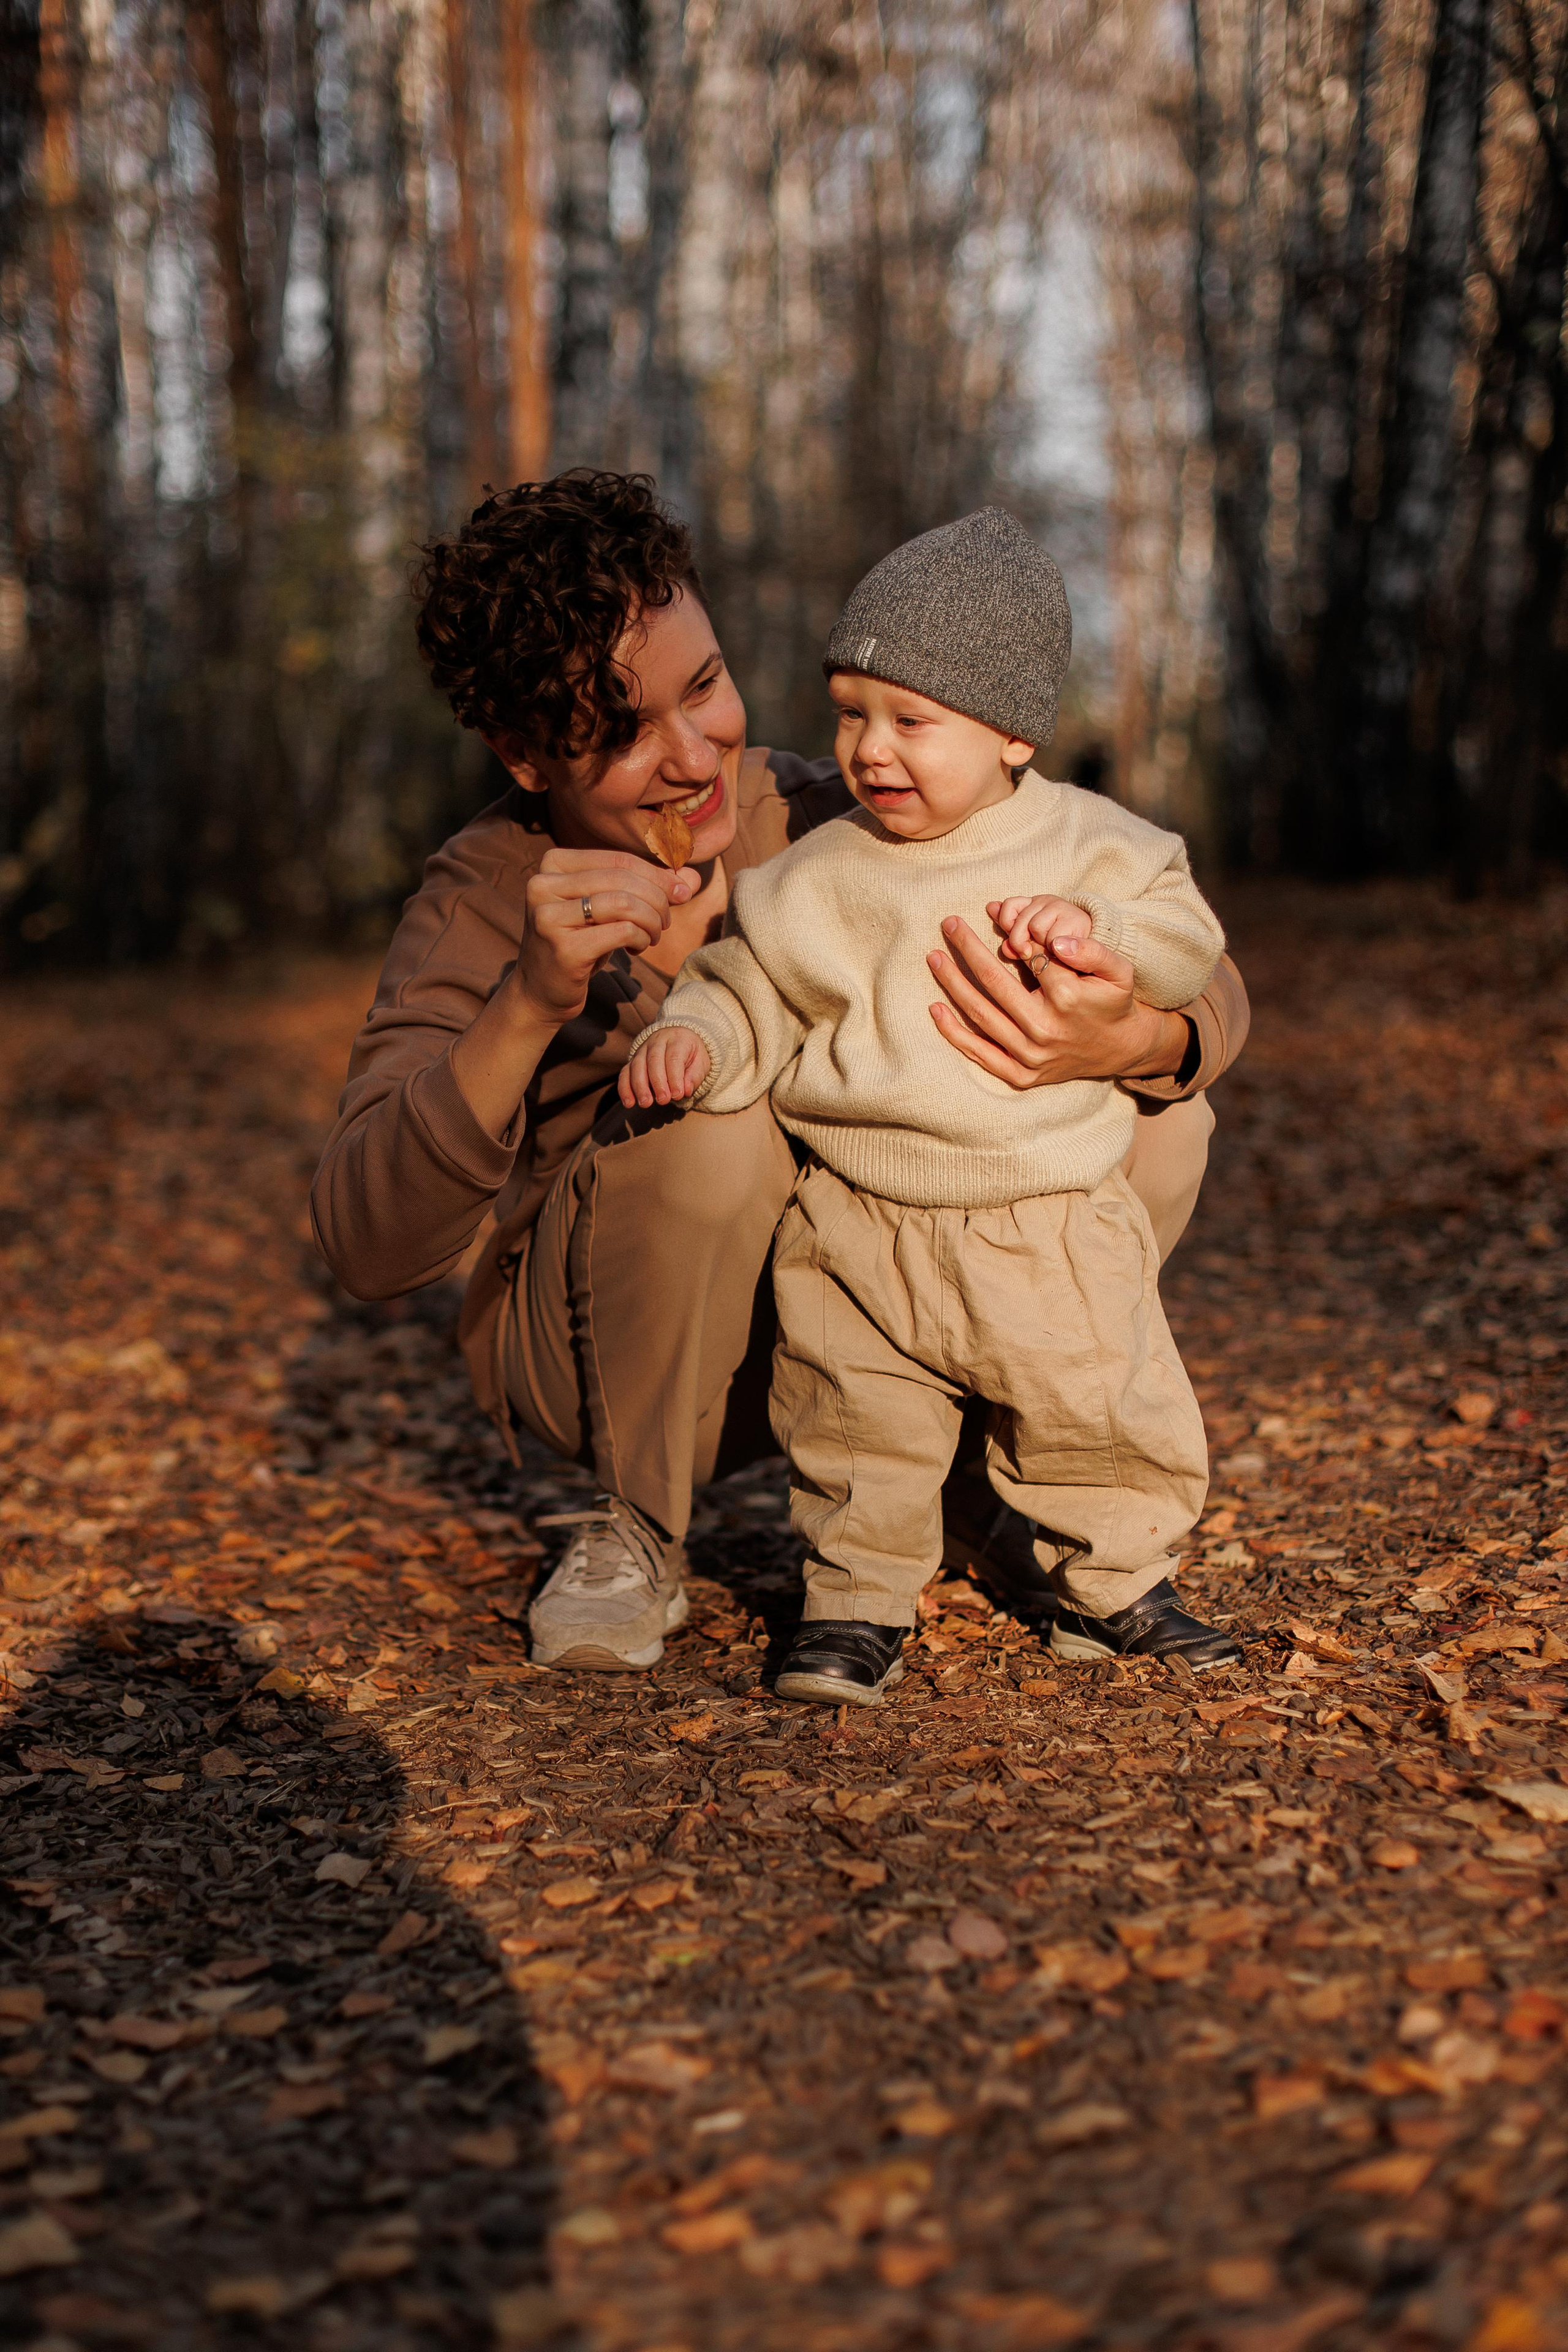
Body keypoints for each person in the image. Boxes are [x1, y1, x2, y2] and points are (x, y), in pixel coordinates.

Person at [310, 472, 1250, 1680]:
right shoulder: (486, 893)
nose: (692, 752)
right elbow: (364, 1244)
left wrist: (1129, 1045)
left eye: (702, 685)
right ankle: (620, 1522)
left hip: (859, 1297)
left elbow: (1192, 971)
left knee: (1160, 1120)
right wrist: (527, 1002)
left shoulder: (837, 816)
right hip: (603, 1347)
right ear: (526, 755)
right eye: (619, 728)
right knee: (713, 1116)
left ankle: (972, 1469)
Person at [624, 508, 1234, 1705]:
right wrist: (695, 1040)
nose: (871, 748)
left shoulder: (1096, 848)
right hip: (859, 1222)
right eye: (850, 713)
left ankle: (1112, 1588)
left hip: (1046, 1217)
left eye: (912, 719)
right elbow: (748, 987)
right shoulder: (812, 878)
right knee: (854, 1429)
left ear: (1011, 734)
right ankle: (854, 1605)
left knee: (1096, 1410)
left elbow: (1183, 937)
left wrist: (1103, 940)